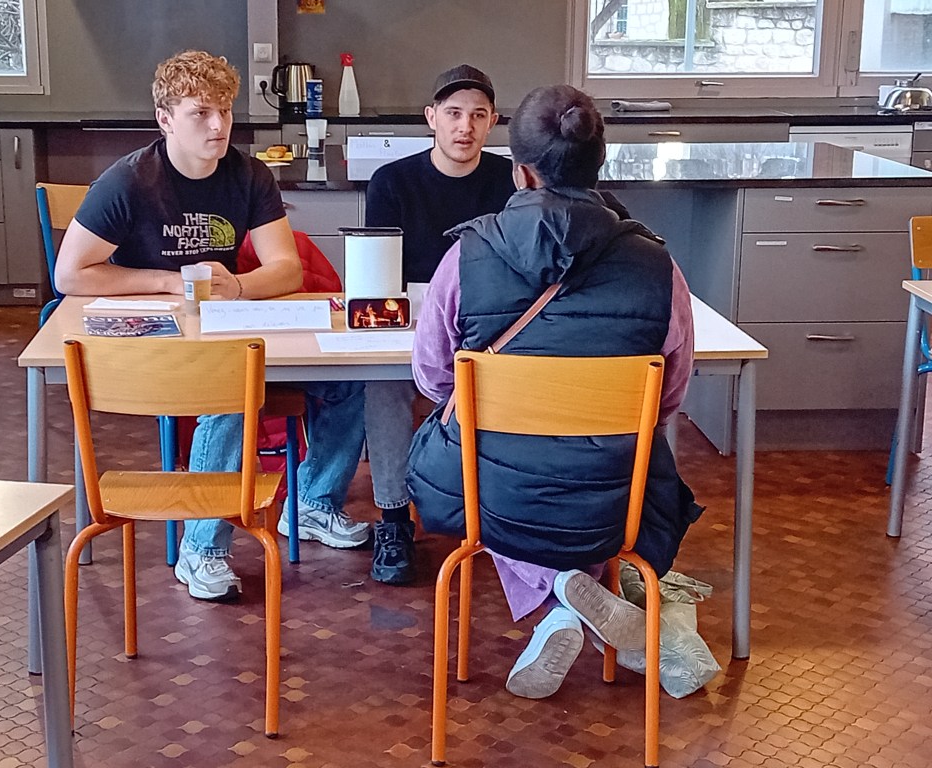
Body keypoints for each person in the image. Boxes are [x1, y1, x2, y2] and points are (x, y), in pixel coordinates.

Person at [406, 84, 704, 699]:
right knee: (596, 474)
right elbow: (669, 396)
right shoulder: (658, 265)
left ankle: (559, 599)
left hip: (492, 492)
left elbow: (433, 378)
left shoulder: (466, 256)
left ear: (519, 171)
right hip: (616, 495)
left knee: (488, 472)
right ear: (599, 165)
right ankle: (579, 594)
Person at [55, 49, 367, 602]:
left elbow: (287, 268)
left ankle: (314, 503)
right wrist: (167, 280)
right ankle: (201, 547)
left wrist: (238, 286)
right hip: (150, 339)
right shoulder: (129, 181)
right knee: (229, 388)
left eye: (224, 110)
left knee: (349, 379)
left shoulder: (248, 174)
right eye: (200, 113)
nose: (219, 125)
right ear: (165, 119)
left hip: (220, 324)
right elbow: (70, 274)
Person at [357, 64, 515, 585]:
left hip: (491, 324)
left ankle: (504, 512)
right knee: (384, 381)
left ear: (492, 122)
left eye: (477, 115)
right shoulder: (392, 182)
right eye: (453, 114)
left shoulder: (511, 181)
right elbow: (379, 274)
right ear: (431, 118)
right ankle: (393, 516)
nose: (464, 127)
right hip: (412, 321)